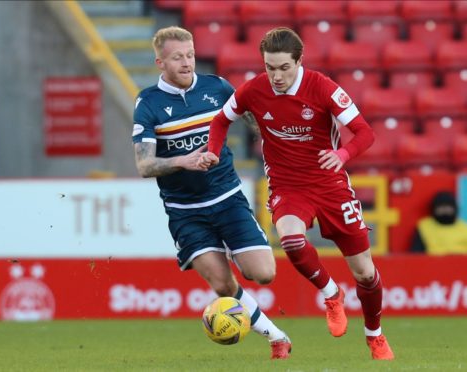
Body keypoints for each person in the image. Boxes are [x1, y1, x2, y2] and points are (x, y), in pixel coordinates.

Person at [200, 27, 394, 360]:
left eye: (283, 68)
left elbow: (365, 133)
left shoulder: (322, 88)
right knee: (290, 239)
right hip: (288, 185)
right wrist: (213, 150)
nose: (275, 75)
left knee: (365, 272)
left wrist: (342, 155)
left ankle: (374, 335)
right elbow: (220, 120)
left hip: (329, 183)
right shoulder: (254, 90)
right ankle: (331, 294)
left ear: (299, 61)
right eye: (269, 67)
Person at [132, 26, 291, 359]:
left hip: (227, 198)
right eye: (177, 58)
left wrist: (279, 130)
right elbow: (145, 165)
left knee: (263, 273)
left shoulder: (216, 88)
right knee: (222, 286)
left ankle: (236, 249)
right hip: (185, 211)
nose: (187, 63)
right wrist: (183, 161)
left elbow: (253, 120)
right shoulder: (148, 103)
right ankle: (277, 337)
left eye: (190, 55)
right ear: (160, 62)